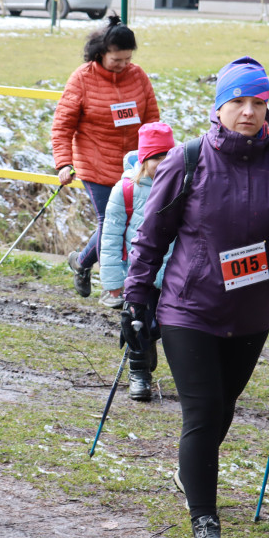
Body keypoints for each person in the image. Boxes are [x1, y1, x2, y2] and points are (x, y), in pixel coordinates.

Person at [122, 57, 269, 538]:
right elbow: (149, 238)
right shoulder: (187, 160)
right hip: (189, 309)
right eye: (238, 101)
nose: (248, 112)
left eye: (258, 102)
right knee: (204, 410)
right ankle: (206, 526)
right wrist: (136, 299)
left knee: (221, 410)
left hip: (250, 316)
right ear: (219, 107)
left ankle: (193, 473)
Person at [51, 15, 159, 298]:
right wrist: (64, 163)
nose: (123, 66)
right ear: (101, 53)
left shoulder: (138, 76)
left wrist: (157, 158)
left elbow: (151, 123)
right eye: (116, 61)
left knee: (136, 225)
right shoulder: (82, 79)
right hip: (95, 164)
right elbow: (63, 126)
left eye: (127, 59)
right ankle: (115, 284)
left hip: (135, 168)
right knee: (111, 225)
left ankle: (82, 263)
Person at [99, 121, 175, 401]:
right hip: (137, 273)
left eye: (168, 156)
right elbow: (109, 236)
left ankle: (151, 343)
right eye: (157, 157)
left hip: (172, 273)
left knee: (163, 325)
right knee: (137, 323)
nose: (163, 163)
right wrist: (113, 282)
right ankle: (139, 373)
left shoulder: (183, 187)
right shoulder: (126, 190)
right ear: (144, 159)